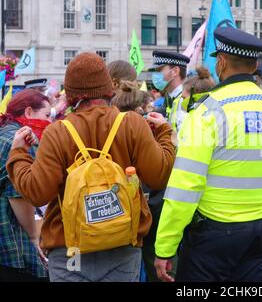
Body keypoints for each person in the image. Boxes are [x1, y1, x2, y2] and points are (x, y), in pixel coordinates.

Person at [6, 53, 176, 282]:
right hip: (122, 244)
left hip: (70, 249)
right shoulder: (132, 124)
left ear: (72, 95)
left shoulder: (58, 132)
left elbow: (38, 193)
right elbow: (159, 176)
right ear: (108, 88)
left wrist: (18, 153)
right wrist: (164, 133)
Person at [154, 27, 262, 282]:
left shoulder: (208, 111)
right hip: (261, 229)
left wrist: (165, 247)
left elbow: (185, 187)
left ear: (221, 62)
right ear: (255, 64)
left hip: (214, 235)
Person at [0, 89, 51, 282]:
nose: (49, 122)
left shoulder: (4, 131)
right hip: (12, 238)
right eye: (46, 115)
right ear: (28, 112)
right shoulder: (22, 139)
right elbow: (19, 194)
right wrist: (33, 235)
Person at [148, 51, 190, 132]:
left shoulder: (186, 99)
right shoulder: (171, 98)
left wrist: (164, 126)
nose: (155, 75)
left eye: (159, 70)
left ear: (175, 71)